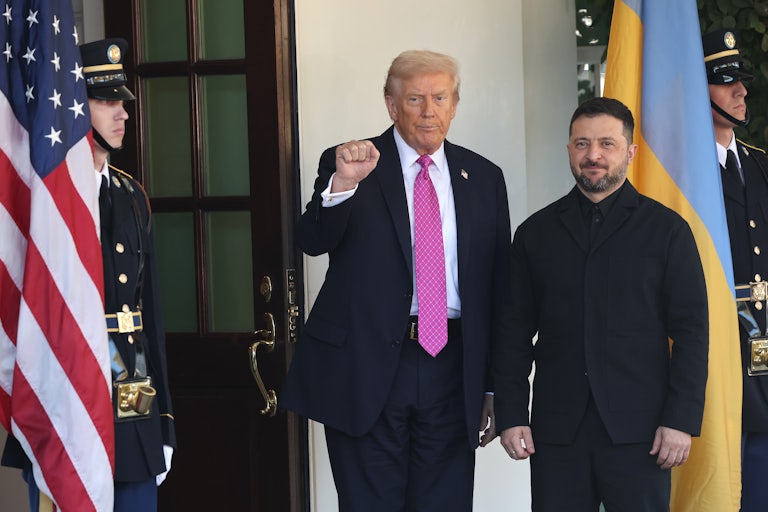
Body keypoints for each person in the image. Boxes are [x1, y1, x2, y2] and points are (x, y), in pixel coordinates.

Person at [281, 50, 513, 511]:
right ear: (390, 105)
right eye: (415, 99)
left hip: (452, 367)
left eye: (440, 98)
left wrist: (492, 386)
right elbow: (312, 239)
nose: (429, 111)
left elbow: (497, 289)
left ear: (455, 104)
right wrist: (343, 184)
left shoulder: (483, 177)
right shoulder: (350, 162)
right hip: (366, 367)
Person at [493, 97, 709, 511]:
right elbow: (514, 331)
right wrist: (512, 412)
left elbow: (692, 333)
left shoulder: (667, 231)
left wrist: (680, 419)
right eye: (581, 144)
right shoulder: (534, 234)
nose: (593, 155)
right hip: (557, 433)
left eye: (607, 144)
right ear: (569, 149)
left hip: (643, 433)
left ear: (629, 152)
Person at [1, 38, 176, 512]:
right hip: (66, 398)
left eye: (123, 102)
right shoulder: (45, 205)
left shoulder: (130, 195)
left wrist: (163, 421)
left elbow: (150, 315)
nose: (122, 113)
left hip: (131, 402)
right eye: (105, 101)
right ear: (75, 107)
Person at [702, 28, 768, 512]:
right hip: (716, 335)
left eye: (741, 81)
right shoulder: (684, 176)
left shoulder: (761, 165)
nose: (742, 91)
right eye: (727, 82)